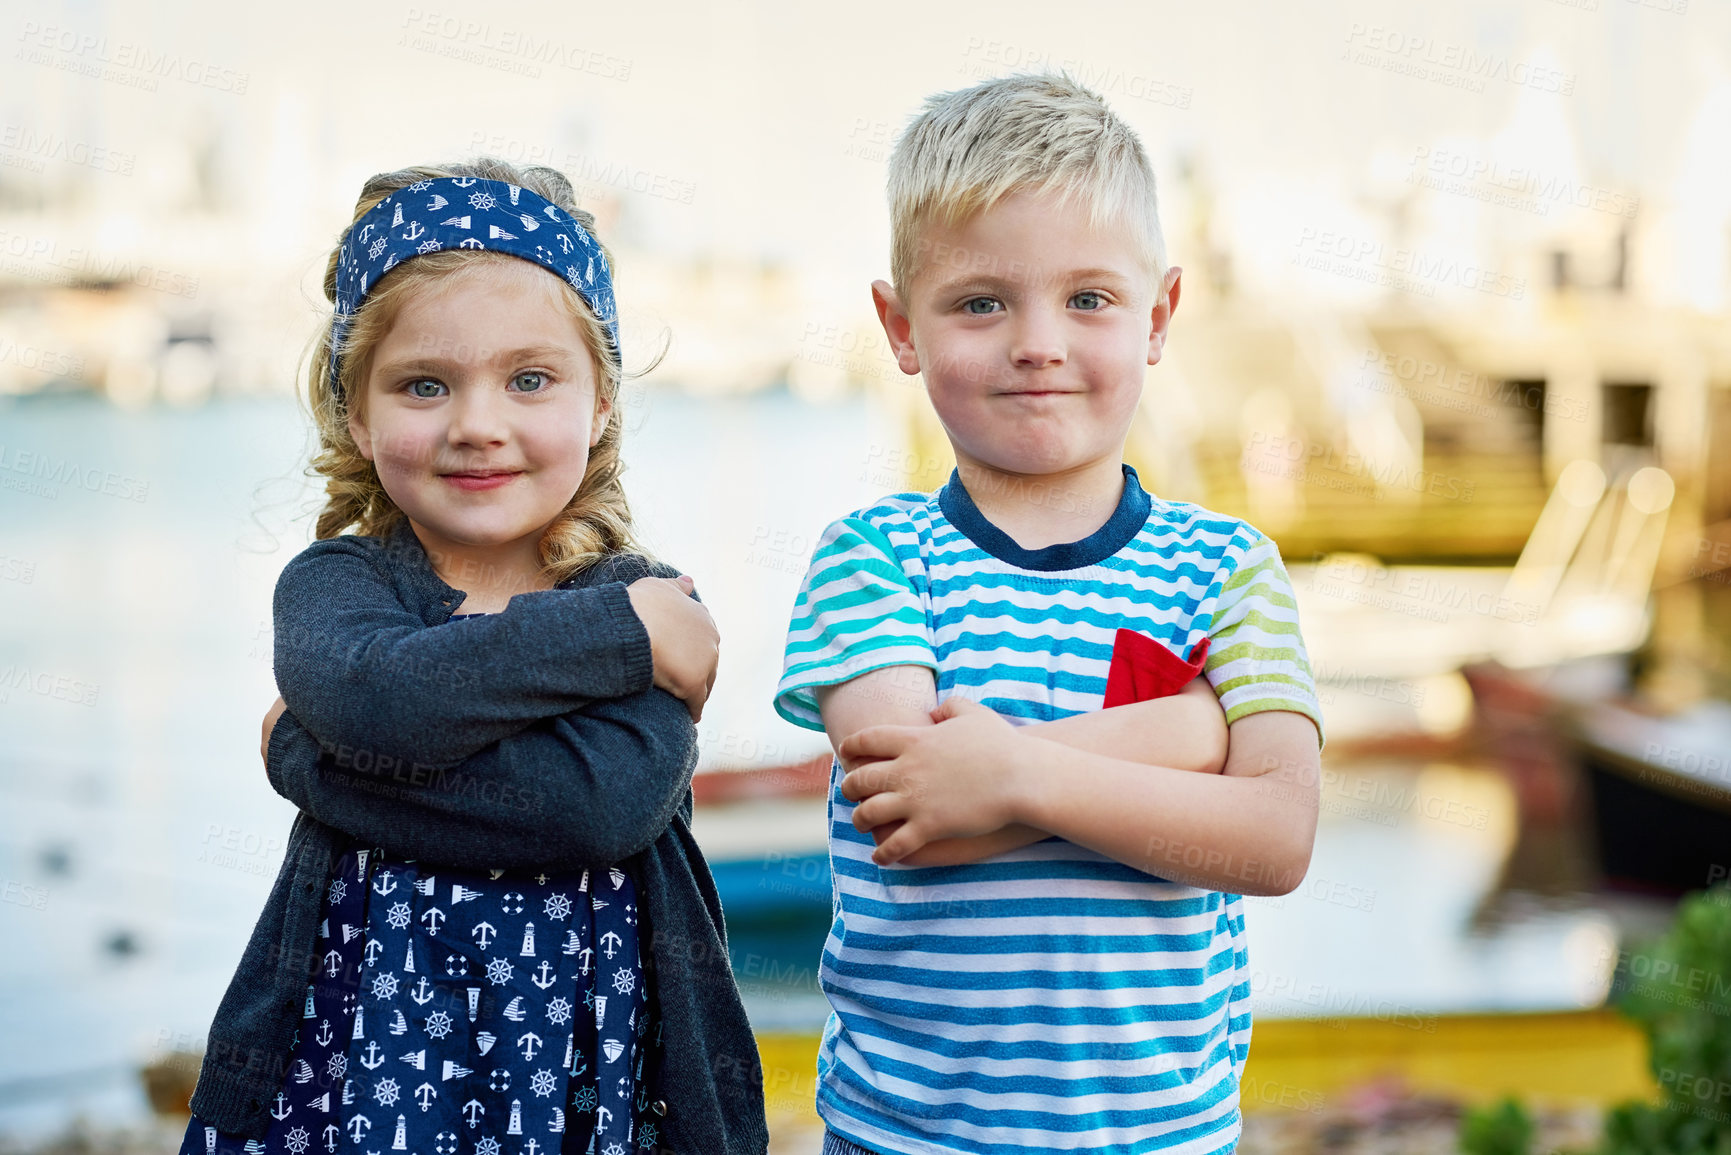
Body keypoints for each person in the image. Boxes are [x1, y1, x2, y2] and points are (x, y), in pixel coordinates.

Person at [773, 74, 1325, 1155]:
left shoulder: (1228, 570)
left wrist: (1014, 774)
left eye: (1088, 299)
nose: (1038, 342)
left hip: (1166, 1137)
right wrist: (1185, 735)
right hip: (909, 1137)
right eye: (981, 301)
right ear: (900, 326)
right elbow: (913, 813)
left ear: (1158, 316)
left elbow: (1275, 837)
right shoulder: (876, 558)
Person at [183, 159, 767, 1155]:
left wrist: (307, 763)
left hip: (586, 1072)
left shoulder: (646, 593)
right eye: (424, 385)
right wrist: (621, 640)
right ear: (357, 416)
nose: (477, 425)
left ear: (602, 403)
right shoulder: (339, 587)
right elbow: (379, 697)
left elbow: (593, 806)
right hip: (358, 1067)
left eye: (530, 379)